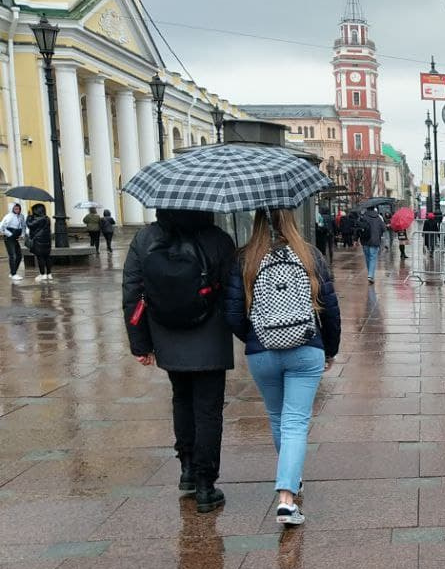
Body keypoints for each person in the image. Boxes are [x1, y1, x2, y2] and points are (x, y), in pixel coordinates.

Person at [224, 209, 341, 526]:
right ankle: (287, 499)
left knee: (279, 418)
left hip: (261, 350)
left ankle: (292, 478)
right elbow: (330, 307)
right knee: (295, 423)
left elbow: (233, 313)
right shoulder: (310, 254)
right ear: (291, 221)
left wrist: (254, 338)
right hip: (306, 348)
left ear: (257, 222)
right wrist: (330, 348)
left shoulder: (245, 258)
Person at [122, 209, 237, 513]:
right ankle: (205, 485)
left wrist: (140, 343)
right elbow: (233, 292)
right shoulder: (218, 240)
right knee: (209, 411)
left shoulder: (145, 238)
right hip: (211, 337)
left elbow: (132, 292)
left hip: (167, 334)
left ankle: (187, 469)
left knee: (181, 399)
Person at [358, 207, 385, 282]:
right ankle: (370, 275)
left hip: (365, 240)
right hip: (375, 240)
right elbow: (384, 228)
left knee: (367, 257)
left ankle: (370, 273)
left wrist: (355, 238)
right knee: (372, 257)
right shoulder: (378, 217)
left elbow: (358, 227)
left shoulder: (363, 217)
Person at [27, 203, 52, 281]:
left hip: (38, 241)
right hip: (47, 241)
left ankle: (42, 274)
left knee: (40, 257)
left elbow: (30, 225)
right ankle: (49, 274)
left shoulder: (38, 219)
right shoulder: (47, 218)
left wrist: (29, 216)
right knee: (47, 257)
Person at [2, 203, 25, 281]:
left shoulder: (21, 216)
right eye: (15, 209)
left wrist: (22, 234)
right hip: (9, 238)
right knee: (12, 255)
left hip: (16, 237)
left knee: (19, 255)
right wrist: (10, 234)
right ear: (12, 209)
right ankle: (14, 274)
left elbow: (23, 226)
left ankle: (12, 272)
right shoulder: (9, 216)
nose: (17, 210)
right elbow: (1, 227)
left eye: (18, 209)